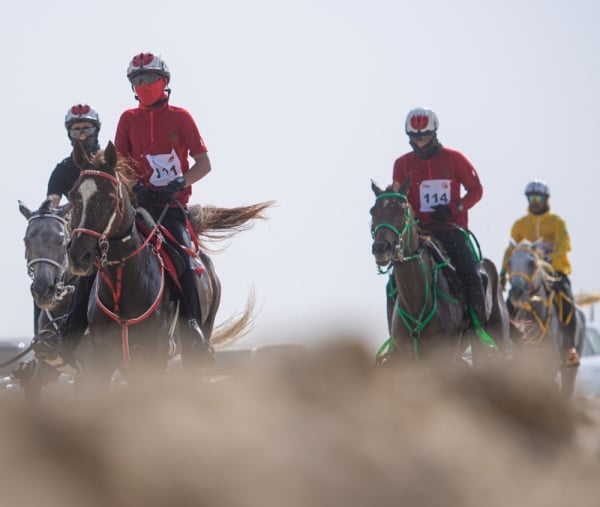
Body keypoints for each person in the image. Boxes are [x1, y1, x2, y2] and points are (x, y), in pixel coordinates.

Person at [114, 51, 214, 368]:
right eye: (137, 80)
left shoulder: (181, 117)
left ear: (164, 82)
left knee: (183, 257)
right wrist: (133, 186)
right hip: (138, 207)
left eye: (149, 79)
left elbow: (205, 163)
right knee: (99, 251)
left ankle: (193, 329)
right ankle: (75, 327)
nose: (143, 85)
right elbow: (117, 165)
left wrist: (179, 183)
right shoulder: (127, 119)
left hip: (172, 207)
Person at [391, 107, 487, 329]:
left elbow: (476, 190)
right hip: (420, 233)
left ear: (434, 133)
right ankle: (396, 338)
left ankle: (480, 333)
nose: (420, 142)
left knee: (471, 275)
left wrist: (456, 207)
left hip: (452, 229)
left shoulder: (455, 159)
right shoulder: (401, 164)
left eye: (424, 136)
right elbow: (399, 200)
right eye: (414, 137)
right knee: (394, 282)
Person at [29, 105, 102, 374]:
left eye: (87, 128)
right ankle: (43, 341)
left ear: (96, 130)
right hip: (77, 238)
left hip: (108, 233)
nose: (82, 134)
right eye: (76, 129)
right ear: (69, 134)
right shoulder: (62, 169)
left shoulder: (108, 161)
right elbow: (53, 203)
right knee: (43, 279)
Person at [500, 180, 579, 366]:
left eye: (538, 197)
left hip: (555, 272)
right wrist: (503, 272)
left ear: (546, 199)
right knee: (506, 306)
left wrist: (549, 260)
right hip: (528, 276)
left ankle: (569, 349)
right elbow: (511, 251)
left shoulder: (557, 223)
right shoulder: (520, 225)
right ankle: (503, 345)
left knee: (567, 301)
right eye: (531, 197)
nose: (534, 201)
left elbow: (564, 246)